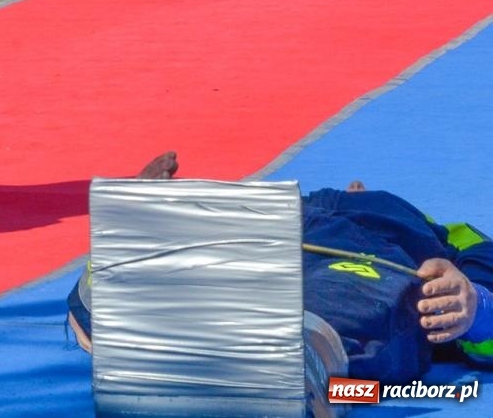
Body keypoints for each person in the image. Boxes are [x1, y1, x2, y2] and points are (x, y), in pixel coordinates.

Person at [66, 161, 493, 390]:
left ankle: (299, 366)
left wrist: (476, 303)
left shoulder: (421, 229)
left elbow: (481, 261)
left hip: (371, 265)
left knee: (381, 307)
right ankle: (130, 269)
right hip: (277, 232)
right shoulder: (311, 203)